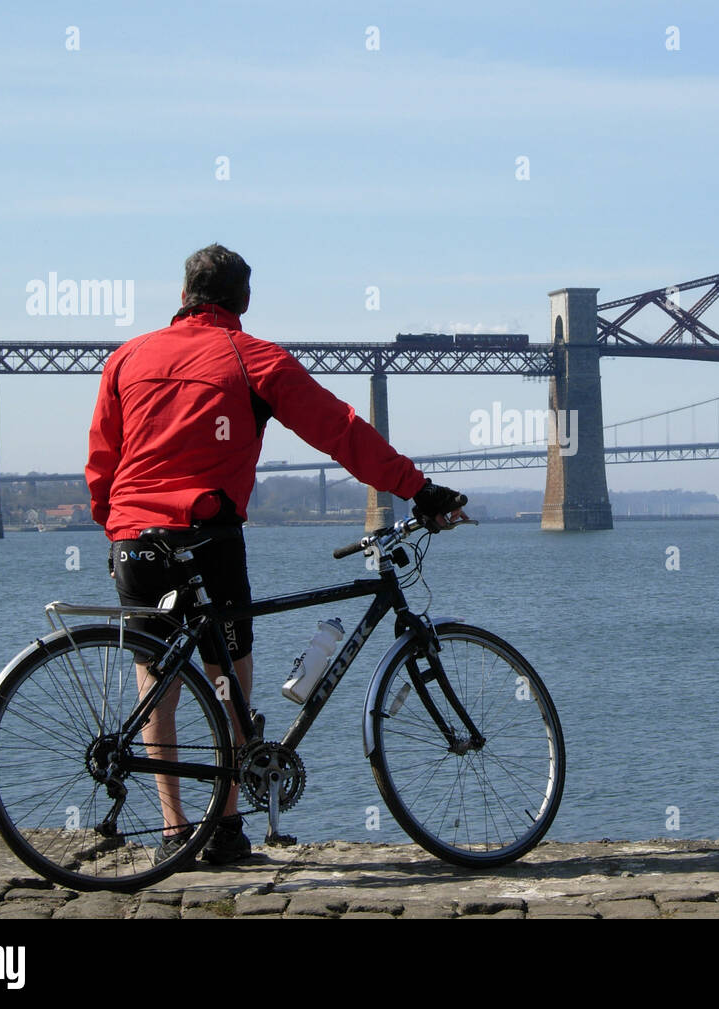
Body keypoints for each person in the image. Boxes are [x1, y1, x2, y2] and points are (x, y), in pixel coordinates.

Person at [85, 243, 467, 865]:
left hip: (134, 541)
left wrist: (116, 525)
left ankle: (176, 830)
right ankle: (228, 828)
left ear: (183, 296)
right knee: (228, 679)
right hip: (208, 537)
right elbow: (339, 430)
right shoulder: (252, 358)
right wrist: (417, 489)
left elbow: (102, 458)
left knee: (156, 683)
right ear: (245, 301)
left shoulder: (126, 358)